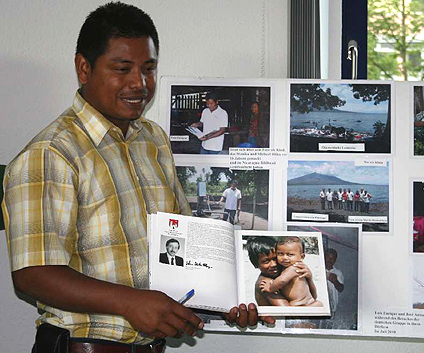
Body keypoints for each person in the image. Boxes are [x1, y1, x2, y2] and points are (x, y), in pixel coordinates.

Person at [1, 3, 273, 351]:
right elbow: (33, 274)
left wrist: (230, 297)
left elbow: (183, 241)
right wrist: (129, 302)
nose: (140, 83)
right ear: (84, 68)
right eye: (122, 68)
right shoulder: (51, 154)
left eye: (148, 68)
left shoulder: (154, 140)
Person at [259, 237, 323, 307]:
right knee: (318, 304)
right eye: (280, 254)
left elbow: (282, 281)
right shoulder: (295, 268)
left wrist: (270, 288)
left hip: (298, 304)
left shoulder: (293, 268)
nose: (284, 258)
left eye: (290, 255)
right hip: (308, 302)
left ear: (302, 257)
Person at [246, 236, 290, 306]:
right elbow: (288, 311)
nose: (274, 264)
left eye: (275, 258)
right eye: (266, 261)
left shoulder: (281, 274)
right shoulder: (265, 284)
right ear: (255, 264)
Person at [320, 248, 344, 329]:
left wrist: (335, 281)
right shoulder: (319, 269)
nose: (330, 260)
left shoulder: (338, 272)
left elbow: (341, 289)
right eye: (328, 257)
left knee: (328, 327)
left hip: (331, 305)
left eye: (332, 258)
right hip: (318, 303)